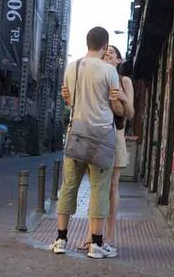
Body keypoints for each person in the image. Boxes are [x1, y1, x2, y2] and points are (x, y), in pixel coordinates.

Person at [50, 26, 124, 259]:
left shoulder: (72, 68)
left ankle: (61, 239)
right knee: (99, 190)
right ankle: (96, 245)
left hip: (77, 133)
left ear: (87, 43)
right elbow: (115, 107)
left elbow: (70, 101)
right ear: (105, 44)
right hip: (102, 135)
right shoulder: (109, 71)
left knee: (69, 186)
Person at [62, 45, 134, 257]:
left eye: (113, 52)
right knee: (96, 187)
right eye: (107, 51)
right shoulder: (97, 74)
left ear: (119, 61)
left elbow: (129, 113)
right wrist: (69, 96)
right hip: (95, 135)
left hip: (115, 136)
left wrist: (122, 96)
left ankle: (108, 237)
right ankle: (93, 237)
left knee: (110, 187)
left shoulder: (123, 80)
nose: (109, 53)